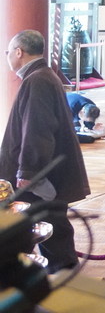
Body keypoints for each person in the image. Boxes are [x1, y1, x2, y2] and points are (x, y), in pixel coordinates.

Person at [1, 30, 90, 273]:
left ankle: (61, 272)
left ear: (19, 52)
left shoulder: (37, 80)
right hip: (48, 169)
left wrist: (29, 171)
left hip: (41, 172)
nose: (7, 56)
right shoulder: (43, 75)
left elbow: (37, 129)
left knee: (47, 222)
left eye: (8, 52)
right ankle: (56, 269)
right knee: (47, 220)